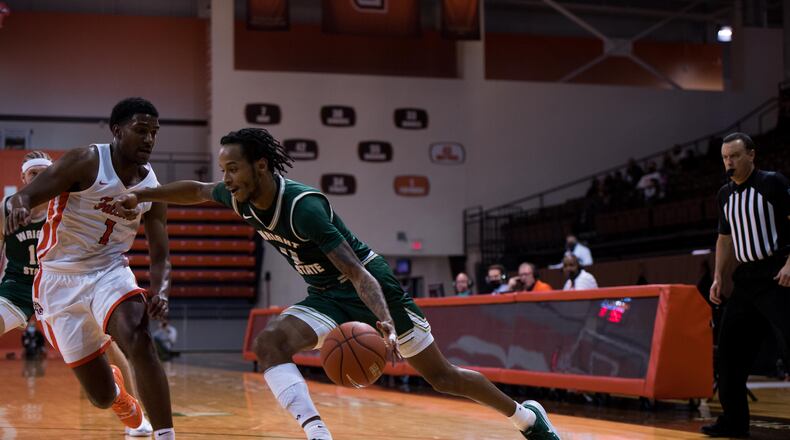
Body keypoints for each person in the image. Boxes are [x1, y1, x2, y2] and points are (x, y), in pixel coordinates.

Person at [112, 128, 561, 440]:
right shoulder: (239, 197)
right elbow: (195, 189)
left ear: (262, 165)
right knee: (270, 344)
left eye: (233, 169)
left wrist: (384, 321)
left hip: (372, 287)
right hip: (327, 296)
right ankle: (317, 431)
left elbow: (358, 272)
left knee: (443, 377)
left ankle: (526, 417)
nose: (226, 179)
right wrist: (144, 194)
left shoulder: (304, 207)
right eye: (224, 170)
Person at [3, 98, 174, 439]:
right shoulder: (86, 161)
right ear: (117, 130)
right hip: (58, 280)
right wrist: (18, 208)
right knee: (101, 397)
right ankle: (119, 395)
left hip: (109, 270)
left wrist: (162, 292)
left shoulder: (152, 187)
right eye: (141, 131)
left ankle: (166, 435)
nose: (149, 140)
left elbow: (160, 256)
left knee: (139, 339)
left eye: (154, 133)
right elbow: (23, 197)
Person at [703, 132, 790, 438]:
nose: (730, 162)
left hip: (777, 275)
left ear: (752, 155)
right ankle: (734, 422)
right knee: (728, 354)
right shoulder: (724, 195)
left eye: (736, 156)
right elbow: (724, 239)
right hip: (746, 280)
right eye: (726, 157)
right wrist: (718, 277)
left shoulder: (772, 182)